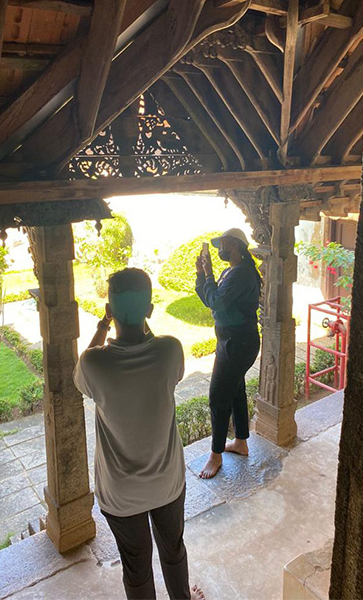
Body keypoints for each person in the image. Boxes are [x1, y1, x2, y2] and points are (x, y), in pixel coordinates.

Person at [74, 268, 202, 600]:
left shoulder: (94, 365)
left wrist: (103, 326)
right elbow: (156, 349)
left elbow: (79, 373)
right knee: (173, 551)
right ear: (149, 310)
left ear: (110, 309)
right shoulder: (170, 351)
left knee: (137, 570)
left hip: (121, 494)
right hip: (167, 484)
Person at [195, 228, 262, 480]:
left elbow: (218, 303)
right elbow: (210, 298)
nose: (219, 249)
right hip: (232, 341)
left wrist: (209, 273)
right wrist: (202, 275)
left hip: (238, 343)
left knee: (218, 396)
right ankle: (241, 442)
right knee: (234, 391)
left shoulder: (242, 273)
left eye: (223, 244)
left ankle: (215, 455)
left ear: (236, 245)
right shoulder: (231, 272)